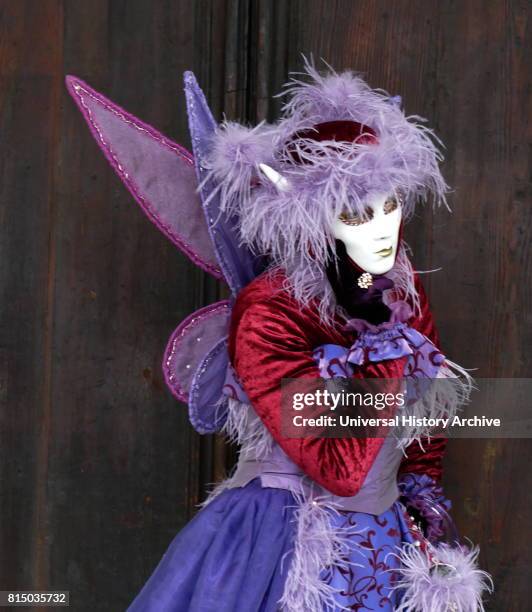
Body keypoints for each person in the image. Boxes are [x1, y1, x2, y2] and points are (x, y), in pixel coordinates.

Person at [67, 60, 491, 611]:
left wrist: (423, 505)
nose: (384, 229)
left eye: (389, 206)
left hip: (387, 547)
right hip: (281, 547)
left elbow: (422, 428)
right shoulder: (268, 310)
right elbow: (341, 469)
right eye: (356, 214)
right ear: (309, 218)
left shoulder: (400, 290)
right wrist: (382, 341)